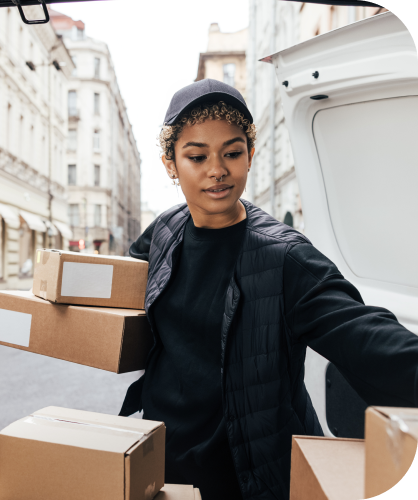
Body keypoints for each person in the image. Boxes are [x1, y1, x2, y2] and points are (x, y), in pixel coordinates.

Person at [119, 79, 418, 500]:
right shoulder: (165, 231)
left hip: (250, 474)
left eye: (232, 152)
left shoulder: (285, 258)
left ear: (250, 155)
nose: (217, 169)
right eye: (197, 156)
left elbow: (367, 336)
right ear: (171, 163)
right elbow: (121, 289)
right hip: (164, 462)